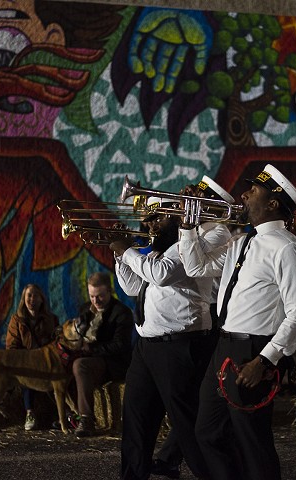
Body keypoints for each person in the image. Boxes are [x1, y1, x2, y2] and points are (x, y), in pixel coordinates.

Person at [179, 163, 296, 480]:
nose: (243, 194)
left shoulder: (288, 248)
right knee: (207, 432)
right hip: (223, 345)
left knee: (254, 442)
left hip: (253, 351)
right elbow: (196, 267)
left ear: (272, 204)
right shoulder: (240, 242)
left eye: (253, 191)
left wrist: (266, 360)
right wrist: (187, 226)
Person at [111, 196, 223, 480]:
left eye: (157, 218)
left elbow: (160, 275)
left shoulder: (188, 247)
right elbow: (133, 286)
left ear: (176, 218)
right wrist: (119, 254)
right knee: (135, 423)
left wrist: (126, 250)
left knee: (188, 426)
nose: (150, 224)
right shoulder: (155, 252)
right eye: (148, 218)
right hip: (147, 347)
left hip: (179, 346)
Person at [151, 176, 234, 479]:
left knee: (195, 400)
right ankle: (171, 457)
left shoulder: (217, 232)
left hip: (210, 318)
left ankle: (195, 461)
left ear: (208, 205)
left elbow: (191, 265)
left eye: (197, 198)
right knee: (194, 400)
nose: (189, 202)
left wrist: (184, 225)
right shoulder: (193, 230)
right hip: (200, 318)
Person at [71, 272, 134, 437]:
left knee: (80, 366)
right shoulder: (85, 309)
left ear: (110, 291)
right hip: (90, 357)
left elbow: (120, 346)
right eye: (92, 296)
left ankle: (86, 419)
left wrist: (91, 349)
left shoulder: (122, 313)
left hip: (113, 363)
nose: (95, 301)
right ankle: (69, 414)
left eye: (100, 296)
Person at [5, 283, 59, 431]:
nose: (32, 299)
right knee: (28, 374)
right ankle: (30, 413)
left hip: (46, 361)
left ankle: (63, 415)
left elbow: (56, 344)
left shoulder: (51, 319)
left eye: (36, 295)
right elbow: (12, 347)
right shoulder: (17, 320)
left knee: (58, 379)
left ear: (42, 299)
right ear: (24, 298)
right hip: (26, 362)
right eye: (29, 295)